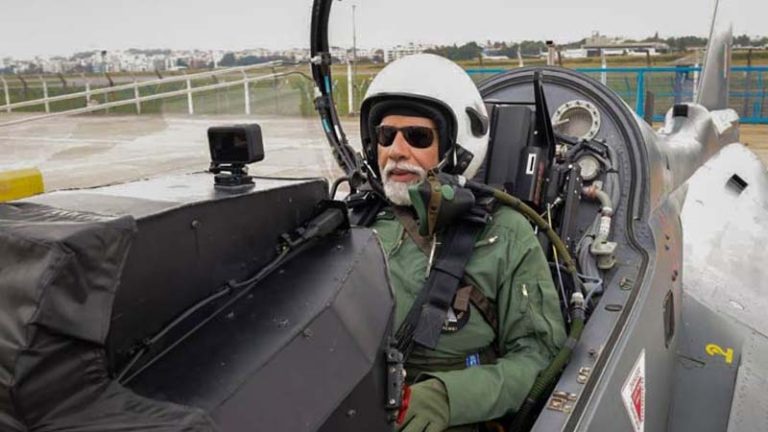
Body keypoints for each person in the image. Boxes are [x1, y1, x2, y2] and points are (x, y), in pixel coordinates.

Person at [358, 54, 567, 432]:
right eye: (386, 135)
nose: (396, 150)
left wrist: (449, 397)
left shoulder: (504, 233)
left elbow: (540, 355)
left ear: (456, 148)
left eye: (417, 136)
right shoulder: (356, 221)